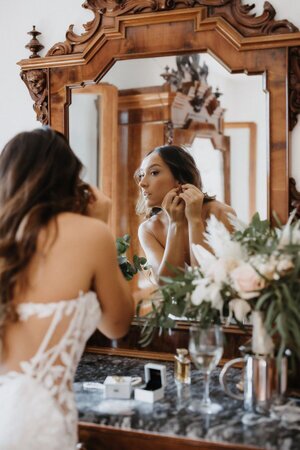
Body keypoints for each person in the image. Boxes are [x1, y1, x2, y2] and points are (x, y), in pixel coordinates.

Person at [0, 128, 134, 450]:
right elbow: (117, 324)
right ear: (70, 182)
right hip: (36, 424)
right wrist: (101, 223)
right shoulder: (89, 235)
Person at [135, 145, 235, 280]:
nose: (142, 183)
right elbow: (167, 283)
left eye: (154, 172)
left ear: (180, 179)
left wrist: (194, 221)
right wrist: (175, 223)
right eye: (141, 175)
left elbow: (206, 278)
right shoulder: (148, 229)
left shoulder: (220, 214)